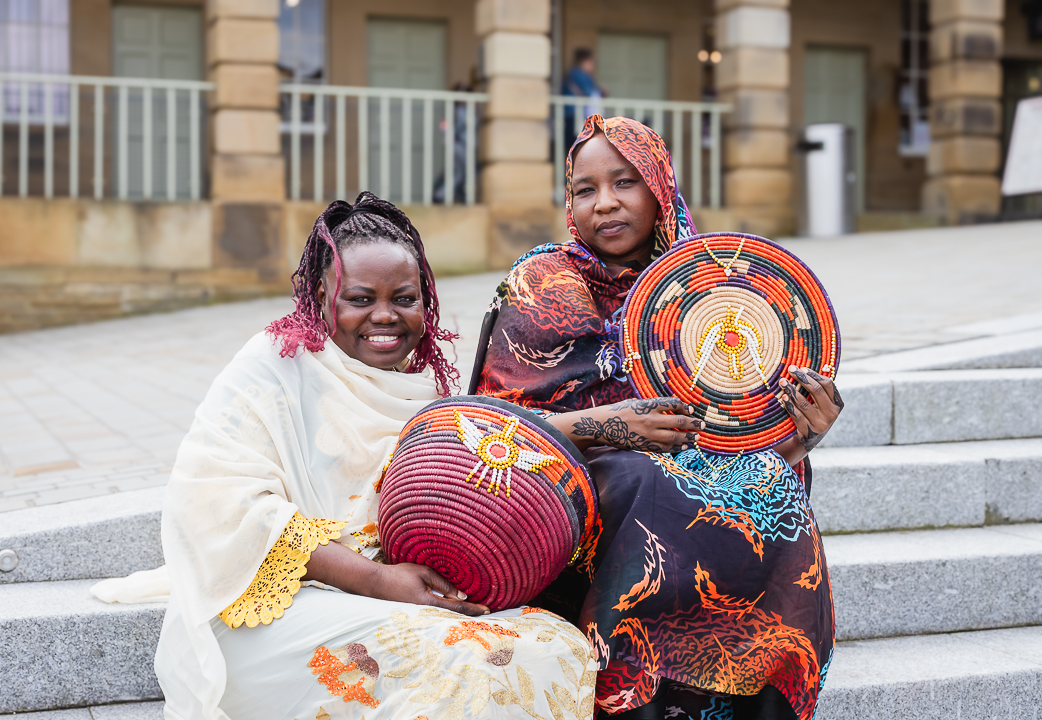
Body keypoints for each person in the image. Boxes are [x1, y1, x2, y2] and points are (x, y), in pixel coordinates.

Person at [95, 193, 597, 720]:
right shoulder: (273, 369)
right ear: (321, 297)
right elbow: (221, 507)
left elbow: (481, 448)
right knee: (471, 661)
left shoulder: (423, 389)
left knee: (551, 644)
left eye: (404, 298)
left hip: (389, 600)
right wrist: (380, 581)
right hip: (272, 611)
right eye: (360, 298)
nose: (385, 316)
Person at [469, 116, 839, 720]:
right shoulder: (542, 281)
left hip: (697, 477)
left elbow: (736, 438)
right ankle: (628, 695)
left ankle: (754, 699)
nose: (604, 204)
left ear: (660, 187)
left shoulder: (713, 289)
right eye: (585, 190)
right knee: (644, 481)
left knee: (769, 485)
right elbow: (492, 429)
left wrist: (800, 437)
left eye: (625, 182)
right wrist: (614, 426)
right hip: (571, 491)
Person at [562, 48, 604, 149]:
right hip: (576, 114)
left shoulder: (572, 74)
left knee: (572, 145)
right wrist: (602, 92)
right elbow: (590, 92)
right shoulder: (580, 74)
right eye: (592, 62)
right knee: (577, 145)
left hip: (570, 114)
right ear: (585, 61)